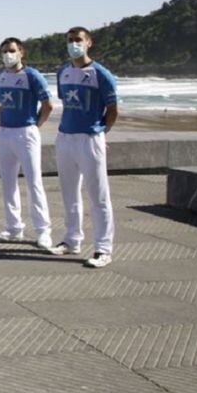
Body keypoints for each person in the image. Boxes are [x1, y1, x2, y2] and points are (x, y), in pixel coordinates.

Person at [50, 27, 119, 268]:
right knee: (69, 193)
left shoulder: (100, 74)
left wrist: (99, 132)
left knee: (98, 196)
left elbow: (112, 110)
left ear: (89, 42)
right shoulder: (63, 72)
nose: (73, 44)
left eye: (78, 40)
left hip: (90, 139)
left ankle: (103, 248)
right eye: (70, 40)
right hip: (65, 138)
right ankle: (71, 240)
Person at [0, 37, 53, 249]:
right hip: (5, 133)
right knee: (8, 183)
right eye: (4, 51)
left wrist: (35, 126)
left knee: (33, 182)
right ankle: (13, 227)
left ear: (21, 52)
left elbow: (47, 105)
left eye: (11, 50)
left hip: (26, 133)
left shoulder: (32, 76)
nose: (7, 55)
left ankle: (43, 231)